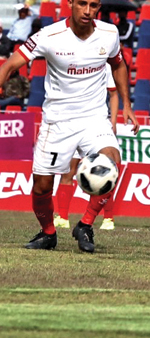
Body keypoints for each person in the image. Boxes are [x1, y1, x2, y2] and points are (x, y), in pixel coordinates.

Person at [0, 0, 137, 252]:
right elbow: (12, 63)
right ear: (70, 3)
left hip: (93, 117)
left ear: (99, 7)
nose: (87, 10)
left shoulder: (109, 34)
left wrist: (126, 104)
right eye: (82, 4)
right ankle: (48, 233)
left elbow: (118, 65)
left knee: (113, 161)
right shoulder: (49, 36)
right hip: (57, 121)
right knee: (41, 187)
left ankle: (85, 225)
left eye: (93, 5)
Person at [53, 66, 119, 231]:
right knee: (68, 172)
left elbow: (113, 93)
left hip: (93, 125)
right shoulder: (67, 62)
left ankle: (108, 219)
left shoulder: (104, 65)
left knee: (105, 170)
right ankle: (62, 217)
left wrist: (113, 121)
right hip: (70, 124)